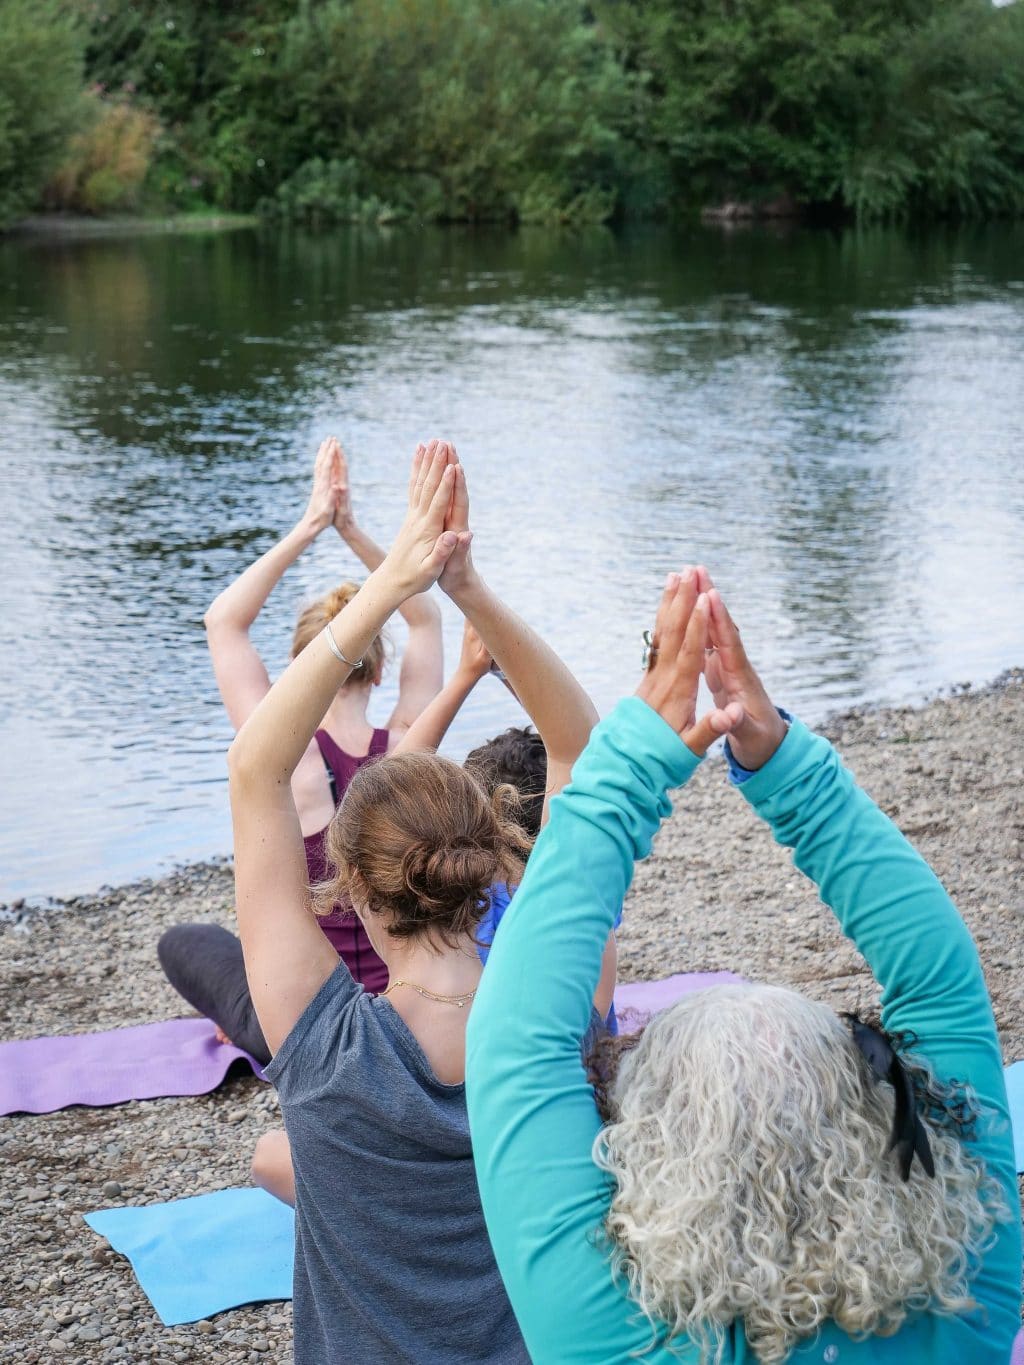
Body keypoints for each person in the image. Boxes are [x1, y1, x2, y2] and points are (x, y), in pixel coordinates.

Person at [466, 568, 1021, 1364]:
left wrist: (638, 760)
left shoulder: (611, 1335)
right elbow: (941, 981)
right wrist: (785, 767)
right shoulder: (969, 1275)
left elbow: (516, 1039)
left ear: (649, 1153)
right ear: (869, 1119)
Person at [228, 441, 603, 1361]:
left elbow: (255, 767)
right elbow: (578, 748)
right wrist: (466, 589)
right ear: (490, 856)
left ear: (353, 888)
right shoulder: (557, 1017)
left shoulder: (323, 1046)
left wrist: (392, 582)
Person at [158, 437, 444, 1062]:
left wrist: (313, 523)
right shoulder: (406, 748)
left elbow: (223, 622)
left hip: (305, 1027)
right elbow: (426, 619)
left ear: (300, 670)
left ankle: (241, 1021)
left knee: (182, 941)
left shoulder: (284, 760)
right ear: (378, 671)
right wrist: (354, 530)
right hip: (407, 1009)